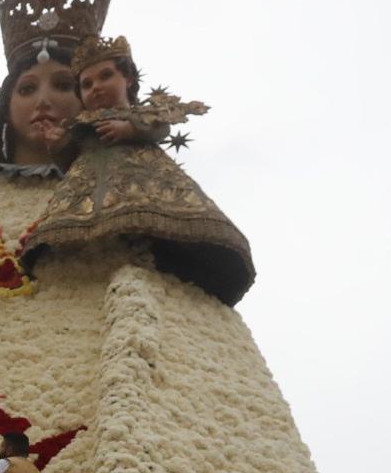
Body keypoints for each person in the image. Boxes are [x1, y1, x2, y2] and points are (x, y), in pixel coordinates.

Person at [21, 34, 255, 306]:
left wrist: (130, 129)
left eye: (105, 76)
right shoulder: (82, 124)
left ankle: (153, 255)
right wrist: (57, 144)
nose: (96, 87)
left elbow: (160, 127)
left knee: (147, 225)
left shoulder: (139, 113)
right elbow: (71, 160)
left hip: (141, 178)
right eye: (87, 84)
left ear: (128, 79)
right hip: (89, 185)